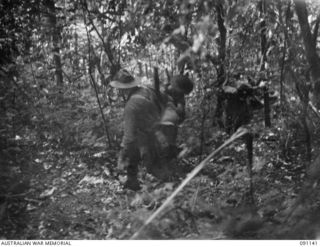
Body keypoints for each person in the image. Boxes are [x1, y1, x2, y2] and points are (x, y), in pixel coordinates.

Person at [110, 69, 193, 190]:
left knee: (152, 166)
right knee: (151, 157)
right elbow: (168, 101)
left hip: (154, 135)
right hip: (159, 133)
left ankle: (174, 188)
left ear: (121, 89)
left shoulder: (131, 107)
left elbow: (129, 137)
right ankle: (134, 181)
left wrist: (123, 154)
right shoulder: (148, 89)